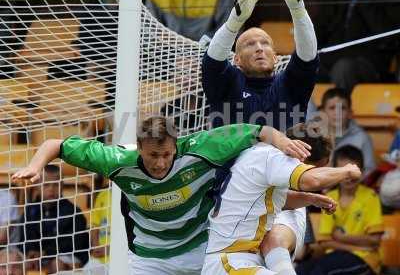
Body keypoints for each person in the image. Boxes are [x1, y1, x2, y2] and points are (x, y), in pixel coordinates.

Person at [12, 116, 310, 275]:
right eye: (153, 155)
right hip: (149, 257)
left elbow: (256, 130)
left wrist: (282, 141)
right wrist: (35, 166)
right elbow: (57, 143)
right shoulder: (117, 160)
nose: (160, 163)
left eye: (166, 154)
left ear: (176, 146)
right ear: (139, 147)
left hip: (199, 248)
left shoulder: (200, 148)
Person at [202, 0, 319, 273]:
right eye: (249, 44)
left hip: (284, 196)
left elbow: (307, 56)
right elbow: (213, 62)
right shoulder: (228, 82)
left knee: (274, 243)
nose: (259, 48)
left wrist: (297, 6)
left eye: (265, 43)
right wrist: (235, 19)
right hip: (233, 200)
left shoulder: (289, 85)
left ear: (275, 54)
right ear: (237, 59)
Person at [202, 123, 363, 275]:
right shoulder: (274, 158)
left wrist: (310, 199)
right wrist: (347, 171)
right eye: (317, 167)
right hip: (230, 261)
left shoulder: (260, 154)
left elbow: (272, 200)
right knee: (275, 240)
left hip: (243, 258)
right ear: (302, 160)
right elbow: (312, 180)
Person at [296, 145, 384, 275]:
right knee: (301, 270)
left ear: (363, 171)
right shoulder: (330, 197)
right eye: (344, 171)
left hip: (365, 259)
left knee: (321, 272)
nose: (349, 177)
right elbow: (325, 242)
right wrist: (357, 246)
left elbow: (374, 240)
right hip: (335, 255)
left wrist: (340, 237)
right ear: (336, 172)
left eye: (353, 171)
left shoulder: (371, 197)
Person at [315, 0, 400, 93]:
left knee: (343, 69)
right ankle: (306, 111)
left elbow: (389, 36)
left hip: (369, 63)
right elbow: (319, 27)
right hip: (331, 56)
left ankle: (340, 111)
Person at [21, 164, 89, 273]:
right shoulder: (30, 210)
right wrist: (31, 250)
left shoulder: (72, 211)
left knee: (57, 263)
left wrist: (45, 253)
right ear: (37, 186)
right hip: (40, 256)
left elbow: (72, 243)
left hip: (66, 255)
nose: (51, 189)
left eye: (56, 185)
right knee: (15, 260)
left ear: (62, 186)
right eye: (46, 185)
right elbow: (26, 234)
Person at [145, 0, 235, 41]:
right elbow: (149, 36)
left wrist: (199, 56)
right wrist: (174, 57)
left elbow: (231, 32)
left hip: (210, 59)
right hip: (167, 60)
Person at [319, 87, 376, 173]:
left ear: (350, 113)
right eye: (332, 108)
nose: (337, 113)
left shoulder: (362, 138)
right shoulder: (314, 136)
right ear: (322, 112)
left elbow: (369, 171)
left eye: (342, 108)